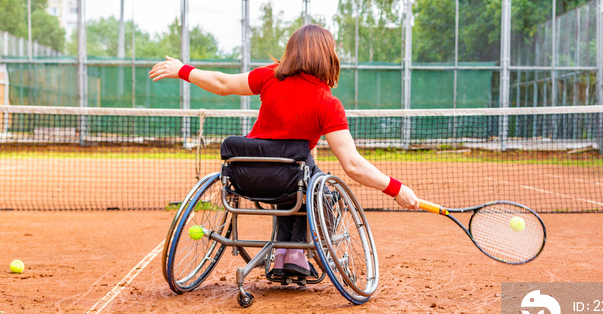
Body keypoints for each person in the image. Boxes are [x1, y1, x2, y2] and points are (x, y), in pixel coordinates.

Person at [149, 24, 419, 279]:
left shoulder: (268, 76)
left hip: (246, 177)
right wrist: (397, 189)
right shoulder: (327, 103)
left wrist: (183, 70)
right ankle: (294, 252)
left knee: (299, 175)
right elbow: (353, 165)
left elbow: (222, 84)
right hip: (290, 179)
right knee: (317, 186)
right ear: (327, 56)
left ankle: (283, 254)